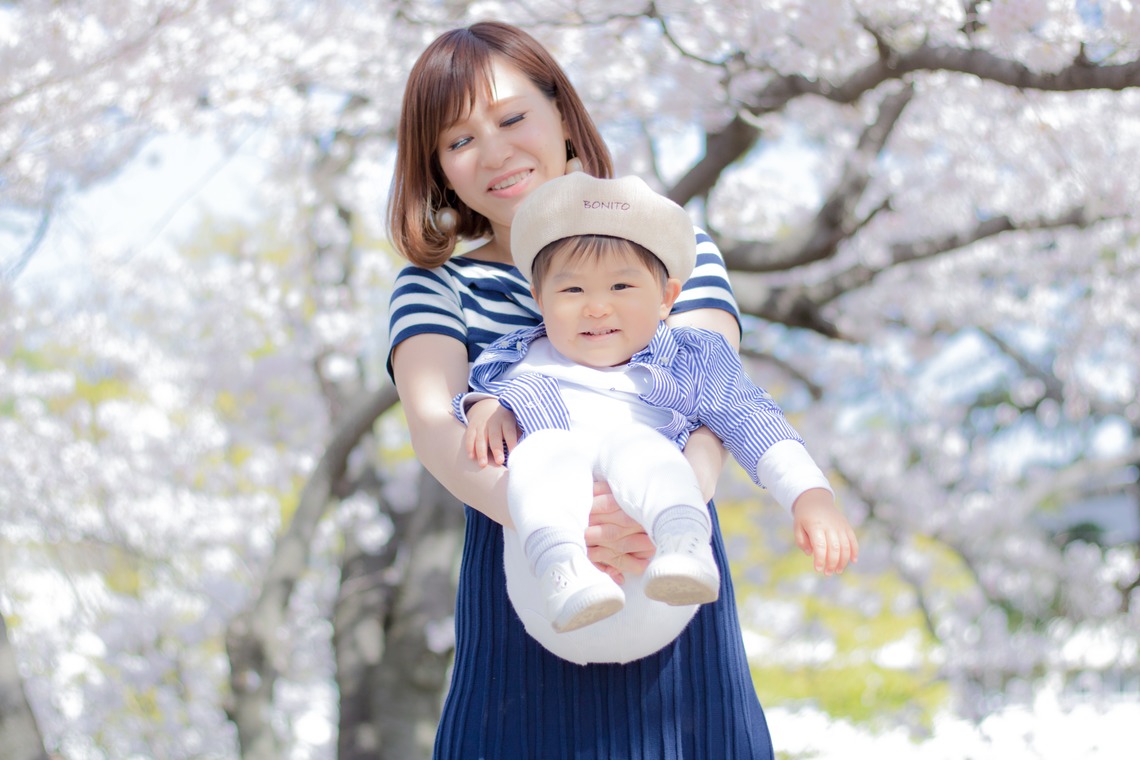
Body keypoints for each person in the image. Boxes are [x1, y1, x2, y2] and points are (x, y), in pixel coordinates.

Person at [386, 21, 856, 759]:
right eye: (458, 140)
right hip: (528, 585)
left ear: (563, 116)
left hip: (670, 565)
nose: (496, 152)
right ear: (437, 165)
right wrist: (559, 525)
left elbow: (712, 402)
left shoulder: (674, 244)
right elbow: (436, 430)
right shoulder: (437, 286)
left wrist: (649, 520)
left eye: (513, 119)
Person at [455, 172, 856, 666]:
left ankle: (684, 541)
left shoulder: (690, 360)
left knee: (638, 446)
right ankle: (563, 564)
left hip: (658, 582)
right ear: (540, 300)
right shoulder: (521, 360)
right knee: (542, 451)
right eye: (573, 289)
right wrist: (487, 407)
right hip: (550, 595)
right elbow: (472, 399)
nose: (597, 307)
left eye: (622, 285)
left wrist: (809, 496)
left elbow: (753, 418)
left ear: (667, 297)